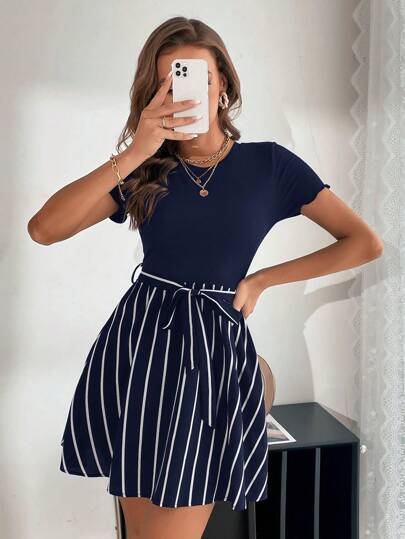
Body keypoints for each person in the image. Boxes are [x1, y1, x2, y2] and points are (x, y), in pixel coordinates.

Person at [27, 16, 383, 539]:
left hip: (211, 358)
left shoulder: (270, 166)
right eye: (167, 83)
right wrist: (135, 150)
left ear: (223, 87)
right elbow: (44, 229)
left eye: (197, 77)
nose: (182, 92)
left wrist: (261, 280)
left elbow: (363, 242)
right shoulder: (144, 169)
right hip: (138, 350)